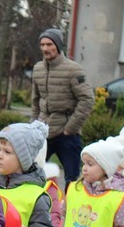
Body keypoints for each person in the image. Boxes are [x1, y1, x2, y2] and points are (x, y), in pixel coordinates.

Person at [31, 27, 94, 182]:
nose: (45, 48)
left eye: (49, 44)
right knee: (32, 172)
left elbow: (87, 99)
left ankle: (71, 205)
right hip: (43, 132)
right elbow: (35, 100)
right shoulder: (38, 69)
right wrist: (33, 126)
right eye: (42, 45)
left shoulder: (74, 69)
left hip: (67, 135)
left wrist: (69, 129)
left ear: (58, 46)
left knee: (72, 179)